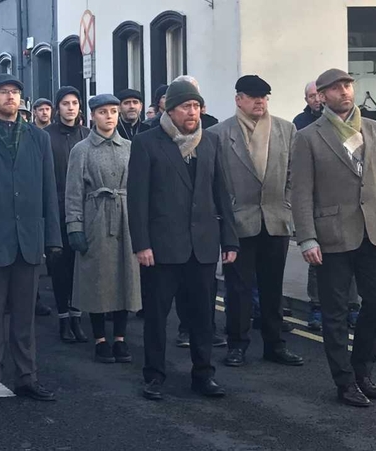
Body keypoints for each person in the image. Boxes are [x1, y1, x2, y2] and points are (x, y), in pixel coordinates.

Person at [128, 80, 239, 401]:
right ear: (169, 109)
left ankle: (203, 375)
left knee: (203, 317)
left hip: (202, 246)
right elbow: (137, 199)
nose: (193, 113)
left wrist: (229, 241)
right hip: (161, 248)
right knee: (156, 318)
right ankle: (154, 376)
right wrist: (141, 243)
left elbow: (222, 193)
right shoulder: (147, 143)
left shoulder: (210, 142)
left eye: (196, 107)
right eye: (186, 107)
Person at [0, 74, 62, 405]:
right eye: (3, 92)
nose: (10, 97)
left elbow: (49, 190)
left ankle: (27, 377)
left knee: (24, 317)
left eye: (15, 93)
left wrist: (52, 238)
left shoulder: (38, 138)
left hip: (28, 239)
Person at [292, 68, 376, 407]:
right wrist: (307, 239)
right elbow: (300, 192)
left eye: (348, 85)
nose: (344, 91)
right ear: (322, 95)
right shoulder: (309, 137)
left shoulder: (373, 128)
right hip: (331, 236)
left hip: (371, 233)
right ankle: (344, 382)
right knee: (336, 312)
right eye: (336, 88)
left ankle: (362, 371)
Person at [208, 75, 304, 368]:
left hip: (275, 219)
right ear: (239, 99)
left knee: (273, 288)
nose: (260, 101)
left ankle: (275, 345)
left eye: (264, 96)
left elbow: (294, 175)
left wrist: (286, 206)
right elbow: (213, 182)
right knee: (238, 288)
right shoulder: (218, 133)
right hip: (239, 221)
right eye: (253, 96)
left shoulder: (287, 130)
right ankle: (237, 345)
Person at [65, 94, 142, 363]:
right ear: (92, 116)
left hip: (125, 219)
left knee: (125, 279)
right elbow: (73, 192)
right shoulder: (81, 150)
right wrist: (74, 226)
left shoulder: (130, 147)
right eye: (102, 112)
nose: (108, 116)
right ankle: (99, 339)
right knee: (97, 279)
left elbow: (139, 190)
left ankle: (120, 338)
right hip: (95, 218)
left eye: (113, 111)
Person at [42, 86, 91, 342]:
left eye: (74, 103)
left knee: (80, 268)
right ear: (57, 107)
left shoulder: (88, 134)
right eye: (65, 103)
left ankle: (77, 317)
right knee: (60, 268)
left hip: (84, 211)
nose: (70, 108)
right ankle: (63, 318)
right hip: (57, 210)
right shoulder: (46, 137)